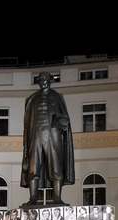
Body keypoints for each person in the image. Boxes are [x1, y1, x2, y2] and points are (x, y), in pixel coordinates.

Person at [20, 71, 75, 205]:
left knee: (55, 165)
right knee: (33, 167)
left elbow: (64, 118)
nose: (42, 81)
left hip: (52, 135)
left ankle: (57, 197)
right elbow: (27, 125)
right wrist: (26, 146)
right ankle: (33, 197)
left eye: (45, 78)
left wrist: (62, 122)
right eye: (40, 79)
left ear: (50, 80)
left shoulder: (57, 97)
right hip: (36, 135)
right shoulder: (32, 99)